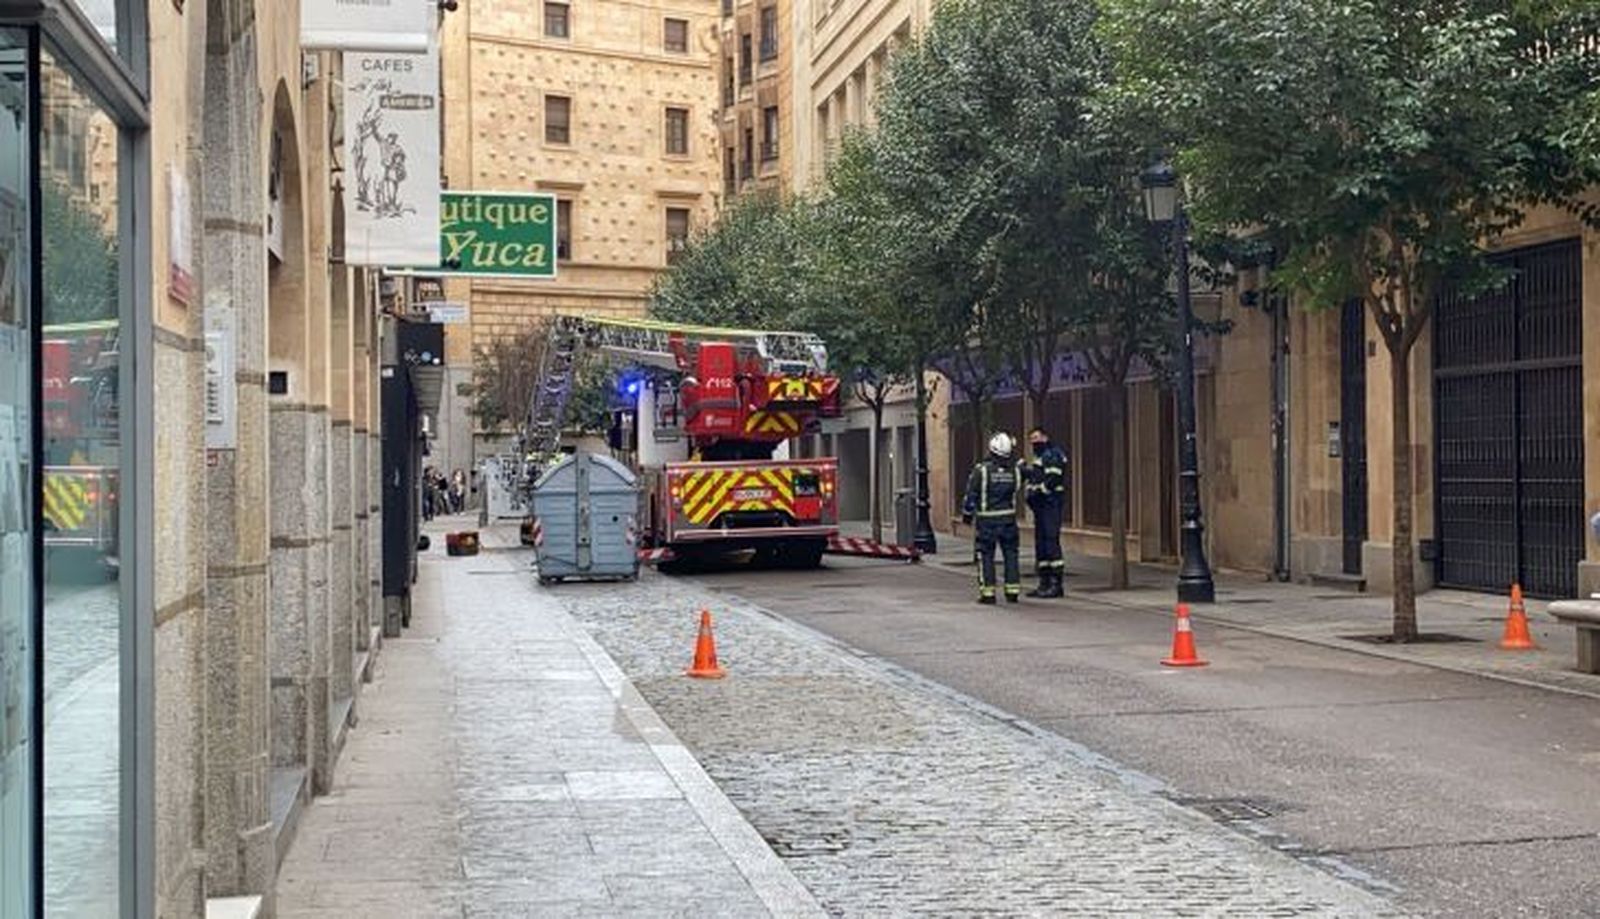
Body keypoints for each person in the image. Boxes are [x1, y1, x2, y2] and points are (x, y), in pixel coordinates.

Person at [962, 433, 1022, 605]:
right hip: (1009, 521)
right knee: (1011, 555)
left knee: (986, 556)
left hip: (987, 522)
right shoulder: (1015, 471)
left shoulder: (981, 470)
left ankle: (988, 593)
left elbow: (971, 494)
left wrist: (967, 514)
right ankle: (1012, 591)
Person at [1023, 426, 1069, 598]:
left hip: (1051, 504)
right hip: (1041, 506)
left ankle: (1057, 585)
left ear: (1045, 437)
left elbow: (1053, 478)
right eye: (1031, 440)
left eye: (1037, 438)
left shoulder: (1053, 454)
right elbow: (1037, 475)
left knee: (1051, 542)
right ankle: (1044, 583)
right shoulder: (1040, 457)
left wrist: (1038, 490)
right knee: (1041, 544)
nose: (1034, 442)